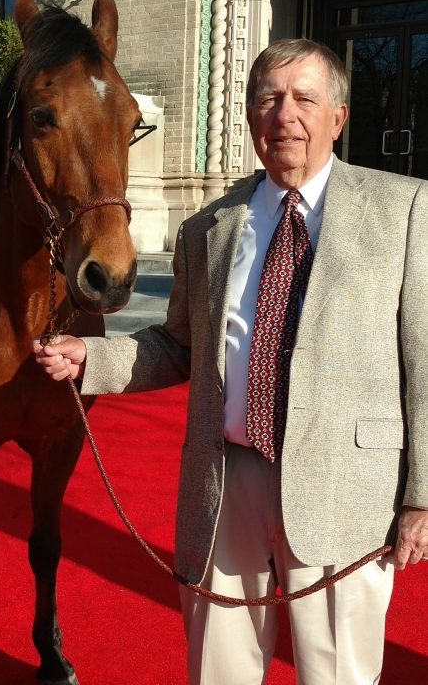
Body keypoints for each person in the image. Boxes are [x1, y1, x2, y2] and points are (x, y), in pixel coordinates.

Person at [32, 38, 428, 684]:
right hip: (225, 483)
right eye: (269, 99)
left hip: (344, 486)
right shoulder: (208, 226)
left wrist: (423, 498)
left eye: (304, 98)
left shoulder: (406, 210)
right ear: (247, 119)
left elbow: (425, 362)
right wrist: (89, 358)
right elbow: (176, 347)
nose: (285, 115)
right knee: (218, 668)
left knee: (338, 674)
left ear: (339, 115)